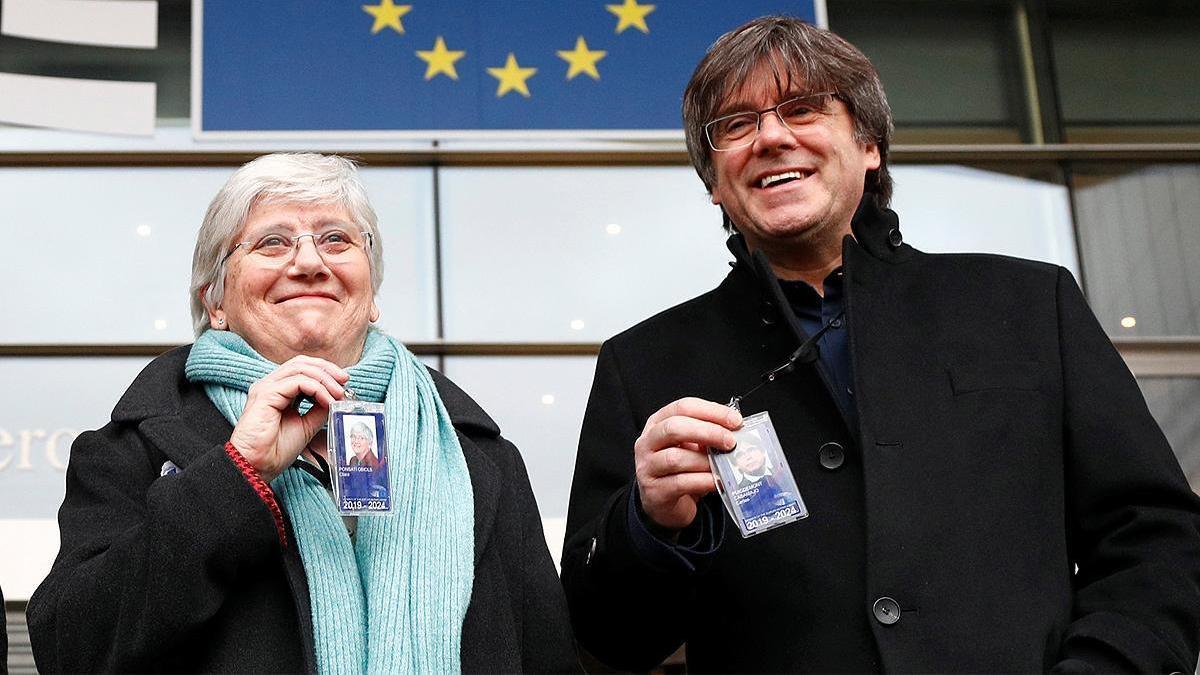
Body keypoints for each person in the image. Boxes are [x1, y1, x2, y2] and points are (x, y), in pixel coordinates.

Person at [561, 15, 1200, 673]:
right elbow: (606, 637)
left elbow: (1154, 537)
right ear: (715, 181)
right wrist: (648, 526)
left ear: (869, 144)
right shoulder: (643, 366)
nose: (772, 137)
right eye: (735, 126)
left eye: (802, 109)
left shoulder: (1031, 306)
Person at [27, 153, 579, 673]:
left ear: (373, 290)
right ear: (215, 302)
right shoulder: (131, 451)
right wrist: (236, 473)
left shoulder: (477, 456)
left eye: (337, 240)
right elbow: (71, 650)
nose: (311, 262)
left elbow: (548, 657)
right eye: (272, 243)